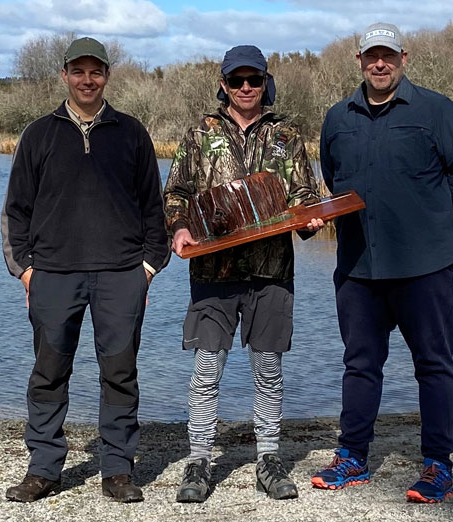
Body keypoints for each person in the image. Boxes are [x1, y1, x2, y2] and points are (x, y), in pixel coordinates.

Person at [311, 23, 453, 503]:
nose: (379, 64)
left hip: (423, 266)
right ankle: (352, 457)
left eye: (388, 55)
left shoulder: (434, 109)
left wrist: (432, 223)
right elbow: (332, 176)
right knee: (360, 365)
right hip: (358, 268)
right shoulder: (337, 118)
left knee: (433, 365)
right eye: (371, 56)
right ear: (360, 60)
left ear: (403, 58)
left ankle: (437, 465)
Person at [1, 37, 169, 503]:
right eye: (79, 71)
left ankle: (117, 470)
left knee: (119, 372)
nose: (87, 79)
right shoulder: (39, 134)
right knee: (49, 372)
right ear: (64, 75)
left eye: (95, 71)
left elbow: (154, 211)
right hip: (53, 274)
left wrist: (148, 269)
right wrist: (26, 271)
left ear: (107, 76)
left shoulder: (131, 133)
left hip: (120, 275)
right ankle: (44, 468)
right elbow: (16, 211)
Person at [164, 44, 324, 503]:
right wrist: (179, 229)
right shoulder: (199, 135)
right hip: (214, 273)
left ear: (265, 82)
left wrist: (309, 218)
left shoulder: (287, 136)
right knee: (206, 371)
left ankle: (268, 459)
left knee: (269, 370)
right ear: (223, 85)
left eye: (254, 80)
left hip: (272, 272)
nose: (247, 88)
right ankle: (198, 460)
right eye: (237, 81)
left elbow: (305, 196)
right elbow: (175, 193)